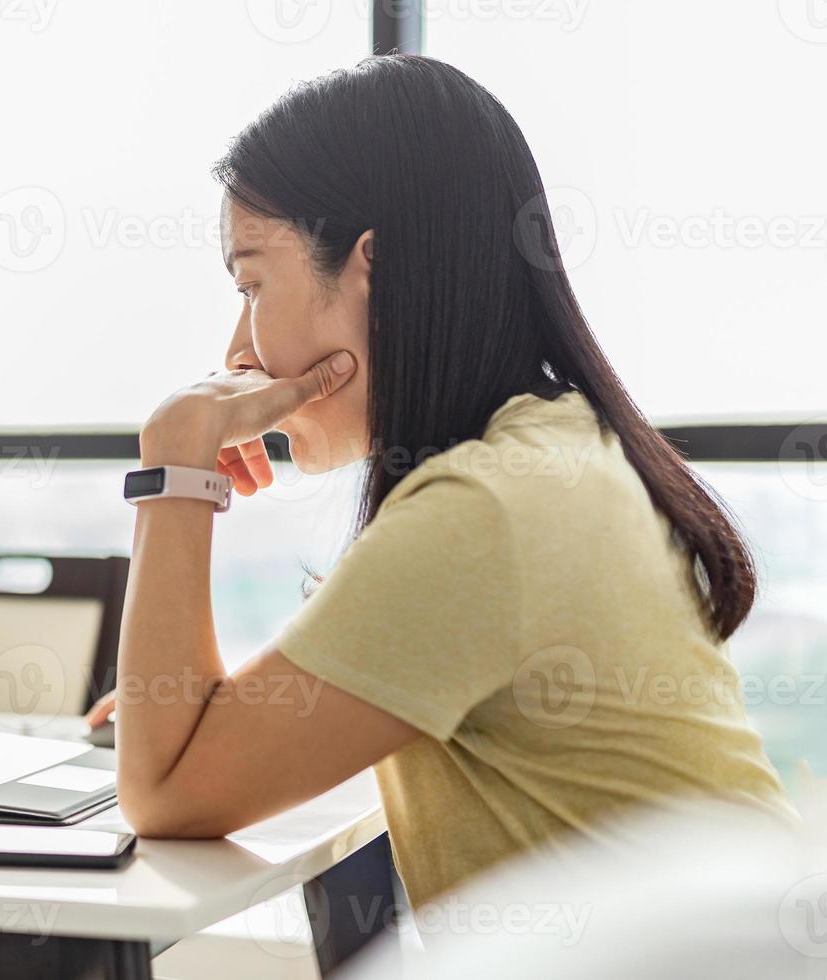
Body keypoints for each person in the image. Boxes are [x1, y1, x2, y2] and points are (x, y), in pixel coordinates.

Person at [87, 54, 794, 909]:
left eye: (252, 285)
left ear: (371, 268)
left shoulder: (486, 511)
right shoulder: (559, 446)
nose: (238, 351)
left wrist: (176, 464)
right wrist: (227, 710)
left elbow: (162, 795)